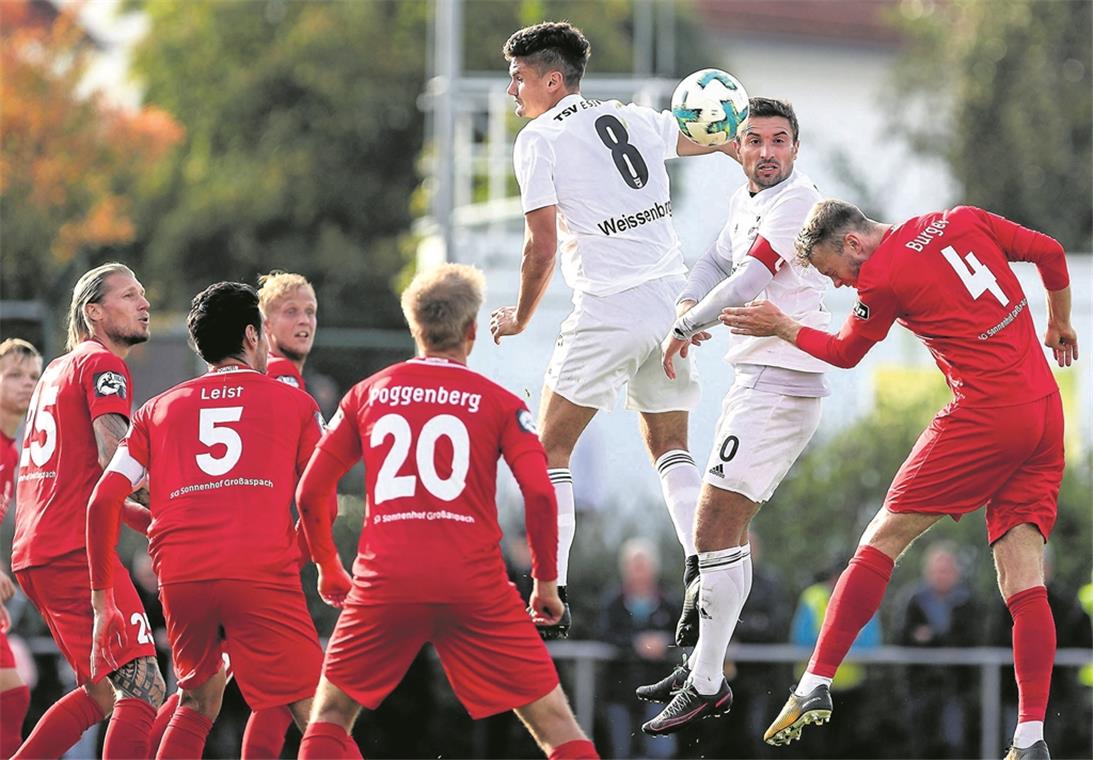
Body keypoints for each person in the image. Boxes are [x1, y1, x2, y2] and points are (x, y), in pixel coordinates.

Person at [719, 200, 1077, 760]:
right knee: (1024, 584)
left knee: (881, 539)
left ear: (854, 244)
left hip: (987, 413)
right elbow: (1052, 253)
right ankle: (1030, 736)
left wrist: (781, 325)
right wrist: (1059, 320)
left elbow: (842, 352)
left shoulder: (882, 276)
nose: (841, 286)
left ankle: (815, 682)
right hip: (1045, 413)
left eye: (836, 273)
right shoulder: (962, 218)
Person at [490, 21, 739, 639]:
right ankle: (698, 570)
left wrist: (520, 317)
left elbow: (540, 248)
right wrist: (746, 144)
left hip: (607, 309)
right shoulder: (631, 116)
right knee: (672, 450)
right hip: (669, 306)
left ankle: (553, 589)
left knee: (549, 450)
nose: (511, 91)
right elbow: (693, 138)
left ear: (553, 80)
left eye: (518, 78)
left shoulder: (539, 139)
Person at [295, 263, 598, 759]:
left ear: (414, 329)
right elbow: (541, 493)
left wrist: (329, 566)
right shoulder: (499, 402)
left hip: (385, 580)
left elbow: (310, 494)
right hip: (473, 583)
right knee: (555, 724)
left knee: (329, 717)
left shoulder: (366, 395)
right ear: (472, 331)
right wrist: (545, 582)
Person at [636, 97, 828, 735]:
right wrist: (693, 293)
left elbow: (746, 282)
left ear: (795, 150)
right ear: (737, 148)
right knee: (714, 520)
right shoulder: (746, 202)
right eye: (755, 141)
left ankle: (708, 679)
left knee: (717, 518)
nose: (767, 152)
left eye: (779, 140)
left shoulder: (798, 202)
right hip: (756, 377)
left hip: (784, 381)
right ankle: (703, 666)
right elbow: (717, 260)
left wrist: (684, 323)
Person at [85, 281, 332, 759]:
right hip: (261, 571)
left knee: (199, 698)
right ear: (252, 335)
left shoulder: (156, 410)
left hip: (181, 577)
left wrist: (104, 600)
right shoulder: (296, 403)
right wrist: (306, 557)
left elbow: (103, 503)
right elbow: (320, 498)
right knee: (317, 711)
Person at [10, 263, 165, 759]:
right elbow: (113, 458)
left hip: (38, 553)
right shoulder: (103, 365)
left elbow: (88, 483)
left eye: (143, 294)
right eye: (129, 295)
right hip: (72, 551)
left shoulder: (56, 370)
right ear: (94, 312)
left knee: (101, 692)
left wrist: (148, 520)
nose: (144, 303)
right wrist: (177, 501)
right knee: (144, 689)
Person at [894, 542, 979, 758]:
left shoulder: (967, 601)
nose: (942, 575)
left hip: (956, 686)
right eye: (938, 570)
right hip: (920, 685)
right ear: (928, 572)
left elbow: (972, 638)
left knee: (955, 744)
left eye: (946, 570)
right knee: (921, 743)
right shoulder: (913, 599)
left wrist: (931, 637)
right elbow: (902, 636)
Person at [597, 538, 677, 759]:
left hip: (660, 689)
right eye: (634, 565)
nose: (639, 571)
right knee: (621, 751)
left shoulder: (669, 603)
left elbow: (685, 635)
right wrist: (635, 644)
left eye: (643, 565)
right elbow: (604, 634)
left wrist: (665, 643)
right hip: (619, 690)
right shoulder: (612, 601)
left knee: (661, 751)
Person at [0, 339, 41, 756]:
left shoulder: (11, 452)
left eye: (32, 377)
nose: (26, 384)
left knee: (12, 698)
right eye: (13, 375)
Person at [258, 270, 318, 391]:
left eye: (310, 311)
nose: (304, 320)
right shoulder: (276, 373)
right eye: (291, 311)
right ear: (266, 324)